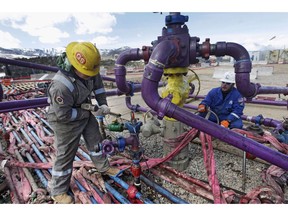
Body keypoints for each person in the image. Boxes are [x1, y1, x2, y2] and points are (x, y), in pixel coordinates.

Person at [46, 41, 120, 204]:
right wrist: (86, 111)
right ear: (74, 66)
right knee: (65, 154)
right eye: (86, 72)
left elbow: (99, 88)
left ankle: (103, 167)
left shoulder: (90, 70)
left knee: (96, 141)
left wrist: (103, 105)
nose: (90, 75)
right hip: (64, 120)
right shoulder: (61, 86)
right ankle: (57, 191)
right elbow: (63, 114)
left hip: (84, 112)